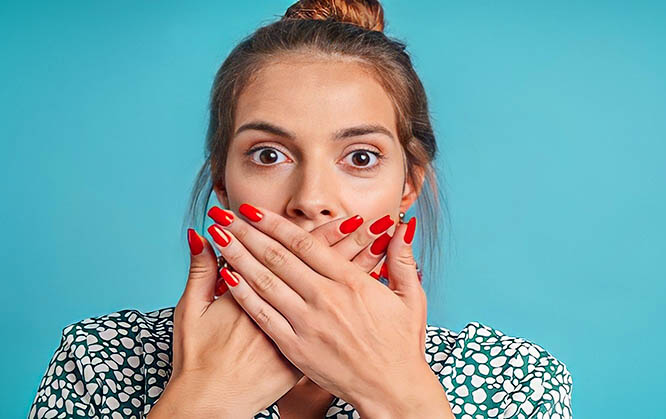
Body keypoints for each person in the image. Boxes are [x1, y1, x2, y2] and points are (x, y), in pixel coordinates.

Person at [28, 1, 573, 418]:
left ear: (407, 186)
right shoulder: (100, 361)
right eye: (269, 155)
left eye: (360, 157)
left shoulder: (515, 381)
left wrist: (398, 394)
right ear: (222, 180)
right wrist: (203, 400)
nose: (311, 199)